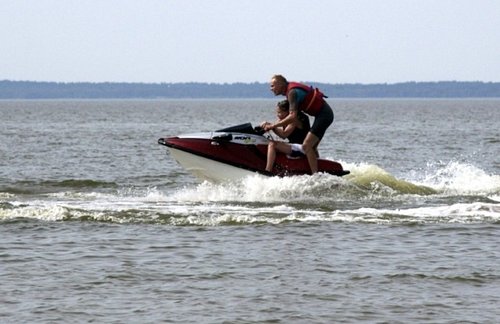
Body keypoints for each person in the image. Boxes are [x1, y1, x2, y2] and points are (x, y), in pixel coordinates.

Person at [264, 74, 334, 173]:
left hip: (324, 116)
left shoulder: (292, 93)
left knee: (307, 146)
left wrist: (273, 126)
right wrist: (272, 125)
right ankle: (319, 168)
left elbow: (292, 116)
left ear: (280, 84)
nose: (271, 89)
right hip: (322, 115)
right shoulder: (289, 92)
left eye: (272, 86)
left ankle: (315, 175)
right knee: (312, 147)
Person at [261, 100, 310, 172]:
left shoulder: (294, 120)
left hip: (301, 148)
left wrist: (272, 127)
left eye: (279, 112)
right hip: (294, 146)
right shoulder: (283, 119)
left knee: (273, 144)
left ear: (287, 112)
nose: (277, 115)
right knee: (267, 142)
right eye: (277, 112)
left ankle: (268, 170)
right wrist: (265, 125)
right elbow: (274, 126)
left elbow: (284, 134)